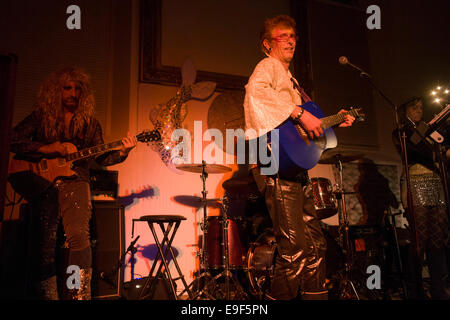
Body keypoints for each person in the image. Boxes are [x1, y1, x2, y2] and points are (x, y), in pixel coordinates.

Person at [243, 15, 355, 300]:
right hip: (272, 161)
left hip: (291, 165)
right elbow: (256, 93)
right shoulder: (268, 66)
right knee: (294, 248)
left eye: (293, 35)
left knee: (316, 244)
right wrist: (298, 112)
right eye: (283, 36)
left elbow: (303, 122)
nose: (291, 40)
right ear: (267, 44)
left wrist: (332, 120)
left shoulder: (290, 79)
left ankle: (315, 295)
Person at [9, 67, 137, 300]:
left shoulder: (89, 124)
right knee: (44, 245)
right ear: (55, 91)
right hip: (42, 183)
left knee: (79, 239)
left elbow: (102, 157)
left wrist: (123, 151)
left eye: (78, 89)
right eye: (68, 87)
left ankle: (78, 294)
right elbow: (12, 139)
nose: (73, 93)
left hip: (76, 180)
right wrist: (47, 148)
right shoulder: (41, 117)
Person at [392, 97, 449, 299]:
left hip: (435, 181)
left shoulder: (428, 129)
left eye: (421, 108)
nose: (419, 110)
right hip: (416, 181)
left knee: (437, 239)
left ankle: (438, 290)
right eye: (414, 107)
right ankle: (415, 291)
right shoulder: (402, 131)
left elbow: (443, 144)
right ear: (405, 110)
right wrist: (431, 136)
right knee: (420, 239)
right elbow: (418, 150)